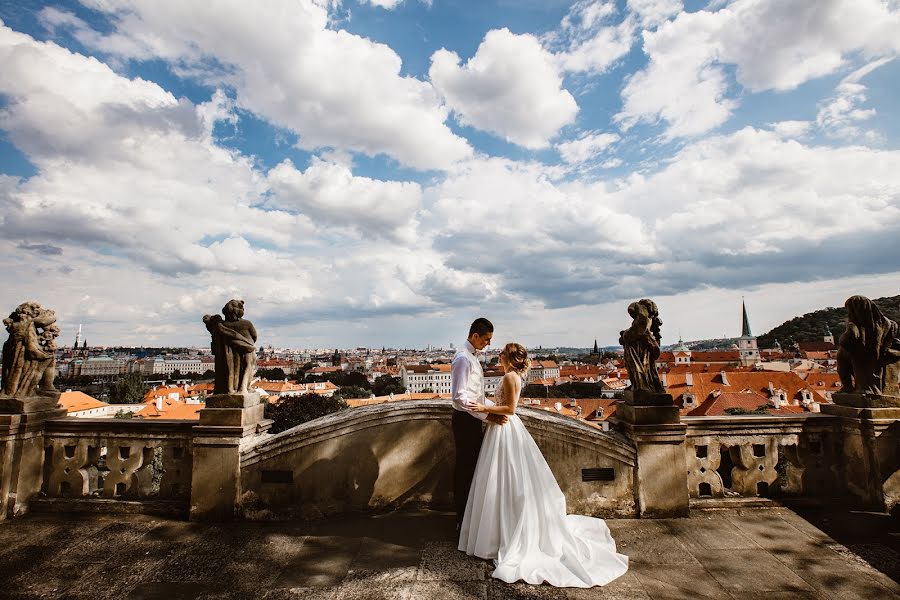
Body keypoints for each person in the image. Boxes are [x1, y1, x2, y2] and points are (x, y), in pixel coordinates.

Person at [459, 342, 629, 588]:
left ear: (508, 357)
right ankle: (502, 530)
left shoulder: (508, 376)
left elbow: (510, 408)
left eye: (502, 352)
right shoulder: (513, 375)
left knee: (500, 480)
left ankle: (498, 534)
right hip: (505, 428)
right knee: (507, 481)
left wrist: (484, 407)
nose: (498, 354)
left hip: (505, 427)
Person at [450, 318, 507, 531]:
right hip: (465, 421)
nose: (488, 344)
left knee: (472, 467)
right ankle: (461, 519)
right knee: (465, 469)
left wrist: (494, 407)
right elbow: (459, 397)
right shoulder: (463, 359)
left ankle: (468, 517)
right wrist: (488, 415)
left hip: (471, 419)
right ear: (475, 336)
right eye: (486, 339)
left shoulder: (471, 357)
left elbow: (477, 396)